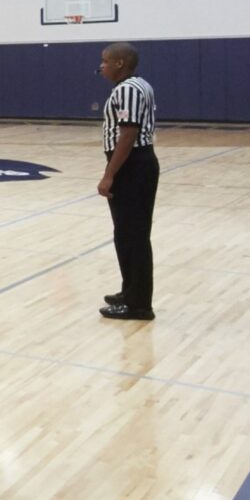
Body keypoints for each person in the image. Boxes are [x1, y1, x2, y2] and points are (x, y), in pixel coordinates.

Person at [97, 43, 159, 321]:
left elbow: (128, 135)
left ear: (120, 63)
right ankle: (130, 290)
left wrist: (110, 174)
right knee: (127, 234)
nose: (102, 66)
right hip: (134, 164)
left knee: (133, 236)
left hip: (132, 165)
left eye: (106, 61)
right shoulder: (138, 85)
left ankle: (139, 304)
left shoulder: (127, 90)